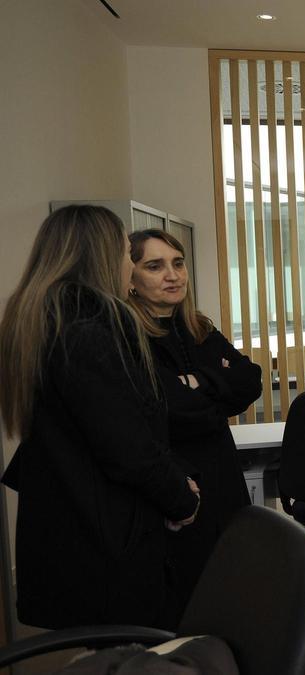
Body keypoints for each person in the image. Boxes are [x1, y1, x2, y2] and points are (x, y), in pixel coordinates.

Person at [0, 205, 200, 629]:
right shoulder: (88, 328)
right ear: (100, 256)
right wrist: (181, 498)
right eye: (127, 253)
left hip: (72, 531)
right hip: (106, 540)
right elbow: (126, 446)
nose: (129, 263)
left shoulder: (41, 321)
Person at [127, 228, 262, 626]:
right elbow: (171, 409)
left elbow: (250, 379)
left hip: (222, 476)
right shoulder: (129, 338)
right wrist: (214, 388)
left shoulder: (198, 326)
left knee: (229, 593)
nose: (173, 275)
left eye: (178, 263)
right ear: (129, 277)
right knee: (185, 606)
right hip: (179, 485)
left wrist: (197, 384)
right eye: (155, 266)